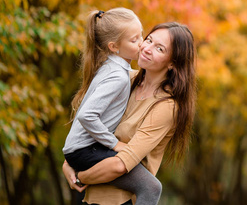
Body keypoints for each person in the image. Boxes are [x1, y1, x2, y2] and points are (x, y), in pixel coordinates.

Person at [62, 22, 197, 205]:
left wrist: (80, 176)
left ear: (173, 63)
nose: (147, 49)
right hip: (90, 198)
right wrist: (69, 161)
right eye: (148, 40)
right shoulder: (124, 79)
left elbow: (120, 165)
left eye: (159, 48)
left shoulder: (166, 106)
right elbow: (87, 123)